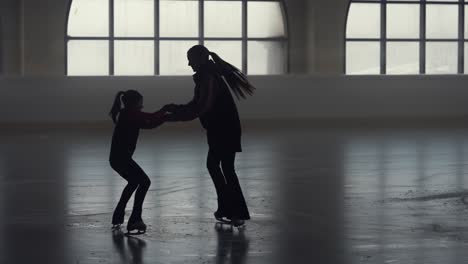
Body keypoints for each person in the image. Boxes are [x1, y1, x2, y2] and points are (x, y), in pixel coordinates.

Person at [164, 45, 255, 227]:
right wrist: (176, 109)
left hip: (222, 129)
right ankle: (232, 210)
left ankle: (232, 210)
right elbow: (199, 103)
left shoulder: (208, 77)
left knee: (219, 167)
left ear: (200, 59)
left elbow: (201, 107)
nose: (188, 63)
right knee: (222, 167)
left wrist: (174, 116)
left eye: (190, 59)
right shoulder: (208, 76)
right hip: (222, 128)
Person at [109, 90, 168, 234]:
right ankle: (135, 218)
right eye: (140, 104)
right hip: (121, 159)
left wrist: (164, 115)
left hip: (118, 159)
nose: (142, 106)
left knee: (134, 182)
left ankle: (119, 214)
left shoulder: (128, 114)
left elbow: (149, 121)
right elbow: (150, 120)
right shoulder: (129, 114)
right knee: (144, 182)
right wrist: (165, 114)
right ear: (133, 104)